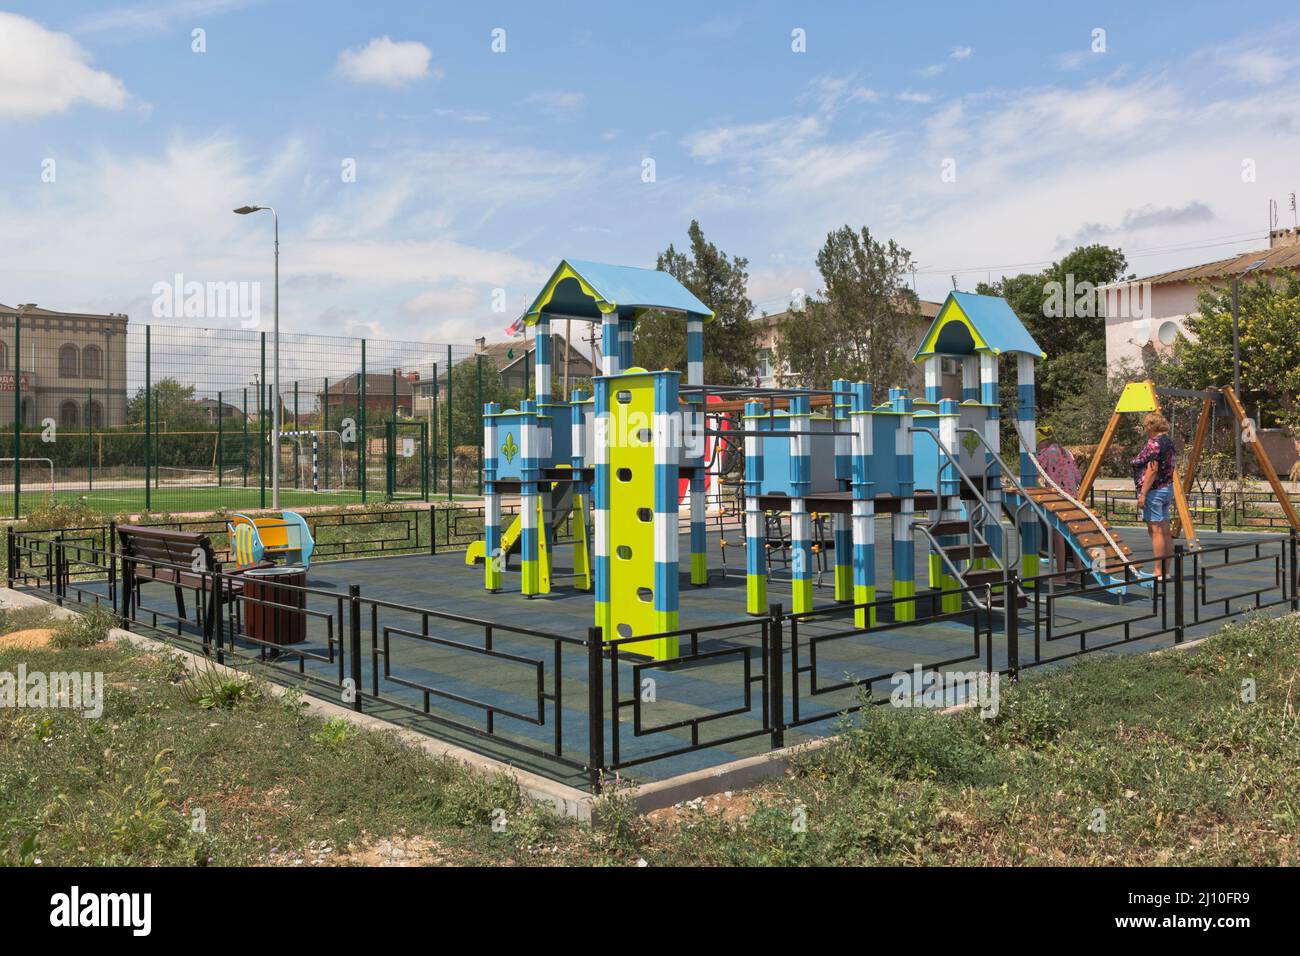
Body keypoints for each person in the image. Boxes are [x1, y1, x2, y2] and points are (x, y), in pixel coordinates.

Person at [1131, 412, 1176, 577]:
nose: (1144, 430)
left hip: (1154, 490)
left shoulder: (1154, 443)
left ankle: (1158, 571)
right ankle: (1166, 570)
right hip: (1166, 489)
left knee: (1156, 531)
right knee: (1165, 531)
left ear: (1150, 426)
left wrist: (1143, 494)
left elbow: (1152, 469)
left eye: (1145, 426)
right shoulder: (1168, 442)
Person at [1035, 425, 1080, 573]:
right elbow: (1078, 476)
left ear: (1042, 442)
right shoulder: (1066, 452)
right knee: (1074, 536)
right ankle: (1078, 572)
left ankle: (1061, 574)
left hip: (1058, 497)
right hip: (1073, 497)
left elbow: (1033, 472)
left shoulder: (1045, 453)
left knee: (1058, 536)